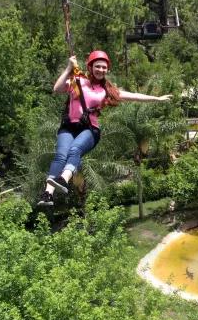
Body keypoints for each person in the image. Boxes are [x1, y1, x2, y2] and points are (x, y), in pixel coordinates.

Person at [38, 50, 172, 206]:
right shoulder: (78, 81)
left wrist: (157, 99)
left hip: (89, 129)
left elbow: (134, 95)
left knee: (75, 150)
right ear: (90, 67)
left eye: (104, 67)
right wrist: (69, 68)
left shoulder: (106, 90)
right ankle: (47, 194)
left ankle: (64, 178)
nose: (101, 70)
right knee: (60, 155)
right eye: (98, 66)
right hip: (68, 126)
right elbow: (57, 88)